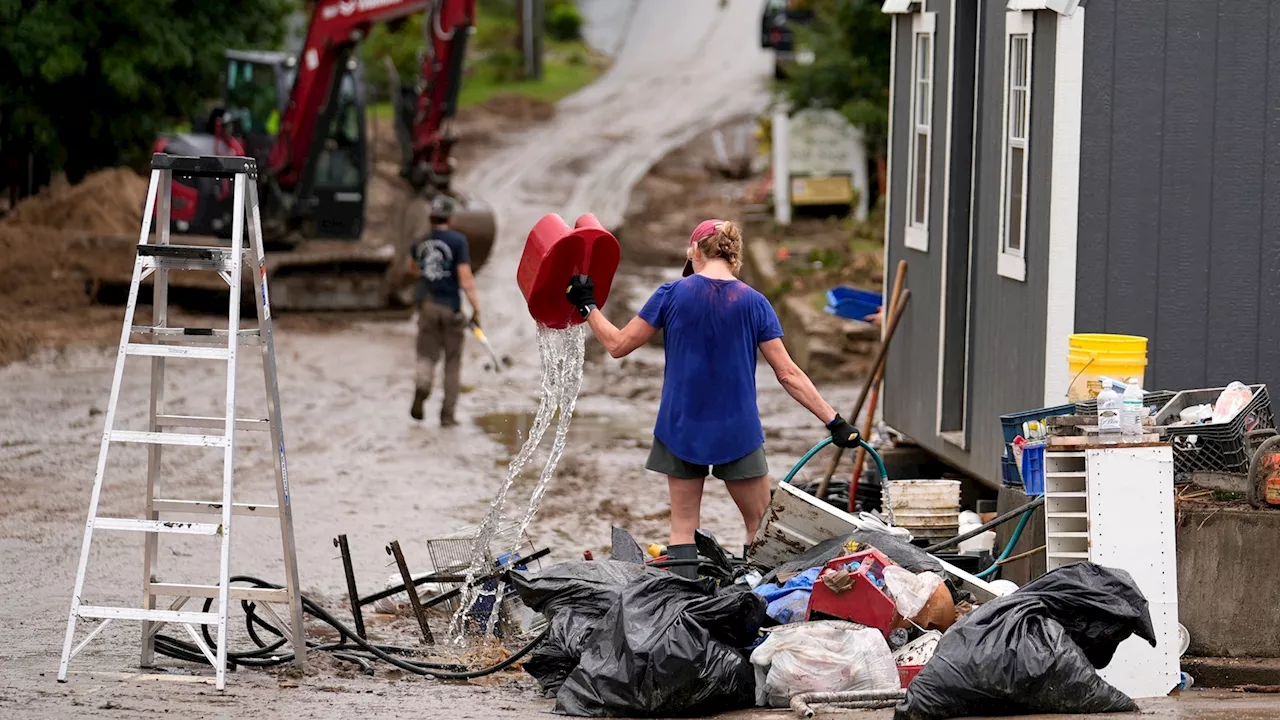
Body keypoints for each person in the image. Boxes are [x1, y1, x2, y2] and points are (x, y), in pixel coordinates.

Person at [565, 219, 861, 577]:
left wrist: (587, 306)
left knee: (683, 526)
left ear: (695, 252)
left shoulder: (671, 293)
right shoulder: (755, 303)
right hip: (737, 431)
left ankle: (679, 613)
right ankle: (757, 606)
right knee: (759, 526)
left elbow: (617, 345)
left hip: (680, 427)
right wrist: (834, 420)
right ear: (734, 259)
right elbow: (788, 374)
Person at [408, 195, 481, 426]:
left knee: (426, 355)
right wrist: (476, 308)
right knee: (452, 362)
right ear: (449, 216)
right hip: (451, 308)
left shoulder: (420, 241)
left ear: (431, 216)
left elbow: (412, 269)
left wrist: (430, 276)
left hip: (428, 307)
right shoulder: (458, 241)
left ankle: (422, 386)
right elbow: (465, 278)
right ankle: (447, 415)